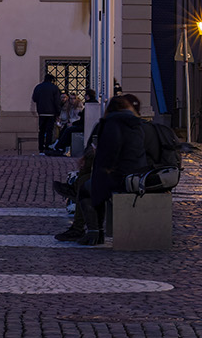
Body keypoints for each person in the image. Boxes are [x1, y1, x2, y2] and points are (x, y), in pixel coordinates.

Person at [72, 94, 148, 246]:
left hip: (121, 176)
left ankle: (94, 232)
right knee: (94, 184)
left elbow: (111, 150)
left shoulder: (112, 123)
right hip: (138, 174)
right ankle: (94, 230)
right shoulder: (138, 123)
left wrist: (106, 168)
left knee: (87, 190)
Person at [31, 72, 62, 155]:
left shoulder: (38, 87)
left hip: (41, 112)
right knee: (49, 131)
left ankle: (41, 148)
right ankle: (47, 147)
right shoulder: (54, 88)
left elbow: (34, 99)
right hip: (51, 113)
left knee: (41, 131)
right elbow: (57, 102)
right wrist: (58, 112)